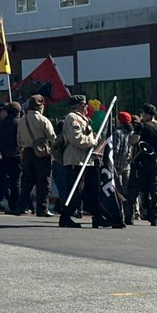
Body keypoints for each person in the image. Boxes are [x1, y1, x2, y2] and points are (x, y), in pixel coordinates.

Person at [59, 96, 105, 228]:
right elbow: (76, 138)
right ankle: (66, 216)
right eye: (83, 104)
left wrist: (96, 137)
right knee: (75, 190)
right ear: (76, 105)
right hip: (75, 159)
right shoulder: (72, 118)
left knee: (91, 189)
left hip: (86, 160)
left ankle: (97, 216)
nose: (86, 107)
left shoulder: (85, 119)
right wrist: (93, 142)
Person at [16, 95, 55, 218]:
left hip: (27, 152)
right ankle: (42, 209)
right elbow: (52, 137)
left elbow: (19, 139)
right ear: (40, 106)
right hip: (41, 153)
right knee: (43, 182)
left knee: (27, 182)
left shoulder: (22, 119)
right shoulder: (43, 120)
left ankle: (21, 207)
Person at [129, 104, 157, 226]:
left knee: (133, 188)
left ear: (146, 114)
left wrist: (134, 133)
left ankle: (128, 215)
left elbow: (134, 140)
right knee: (155, 188)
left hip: (142, 159)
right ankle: (155, 217)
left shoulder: (141, 125)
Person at [0, 102, 21, 214]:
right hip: (15, 155)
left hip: (1, 155)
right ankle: (15, 205)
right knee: (15, 182)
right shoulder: (19, 124)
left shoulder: (0, 124)